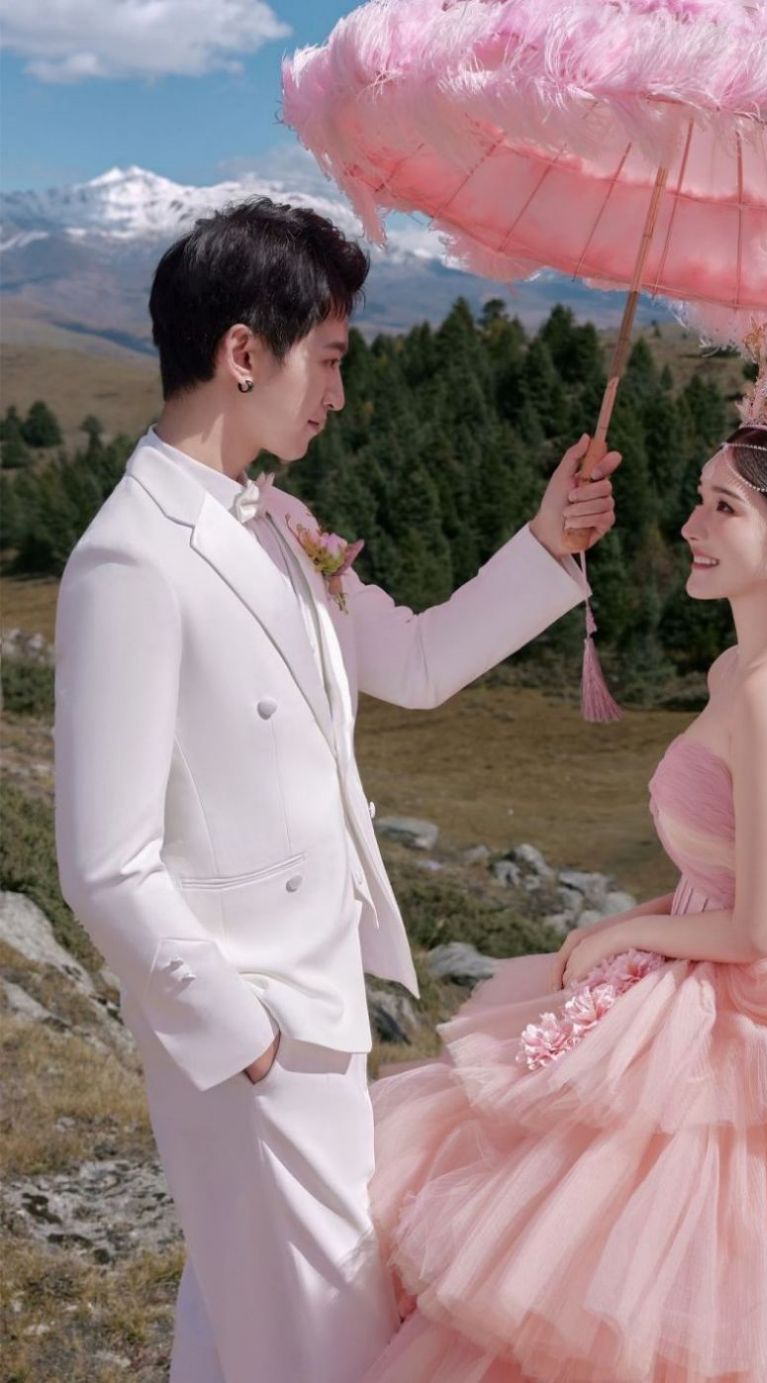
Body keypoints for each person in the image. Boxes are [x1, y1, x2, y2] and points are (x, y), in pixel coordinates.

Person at [360, 302, 767, 1382]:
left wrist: (618, 938)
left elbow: (761, 930)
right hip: (702, 966)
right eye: (697, 499)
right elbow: (718, 887)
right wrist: (633, 926)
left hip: (753, 996)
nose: (690, 525)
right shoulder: (738, 672)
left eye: (723, 508)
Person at [52, 195, 622, 1383]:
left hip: (316, 1009)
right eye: (329, 357)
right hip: (249, 1036)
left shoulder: (281, 520)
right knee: (327, 1345)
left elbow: (411, 661)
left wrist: (546, 544)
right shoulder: (129, 558)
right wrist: (245, 1039)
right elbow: (104, 862)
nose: (340, 392)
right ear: (242, 352)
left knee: (242, 1329)